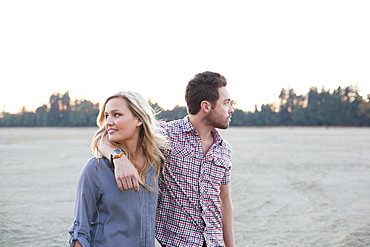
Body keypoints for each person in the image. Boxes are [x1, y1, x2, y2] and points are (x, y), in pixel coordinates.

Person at [100, 71, 235, 246]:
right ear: (206, 106)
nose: (231, 109)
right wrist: (118, 158)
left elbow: (224, 200)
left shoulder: (224, 150)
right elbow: (104, 135)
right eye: (226, 103)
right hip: (177, 242)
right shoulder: (166, 135)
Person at [69, 91, 168, 247]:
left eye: (116, 114)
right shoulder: (95, 169)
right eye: (106, 116)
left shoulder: (156, 164)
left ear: (139, 119)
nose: (108, 122)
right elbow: (80, 233)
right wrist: (118, 157)